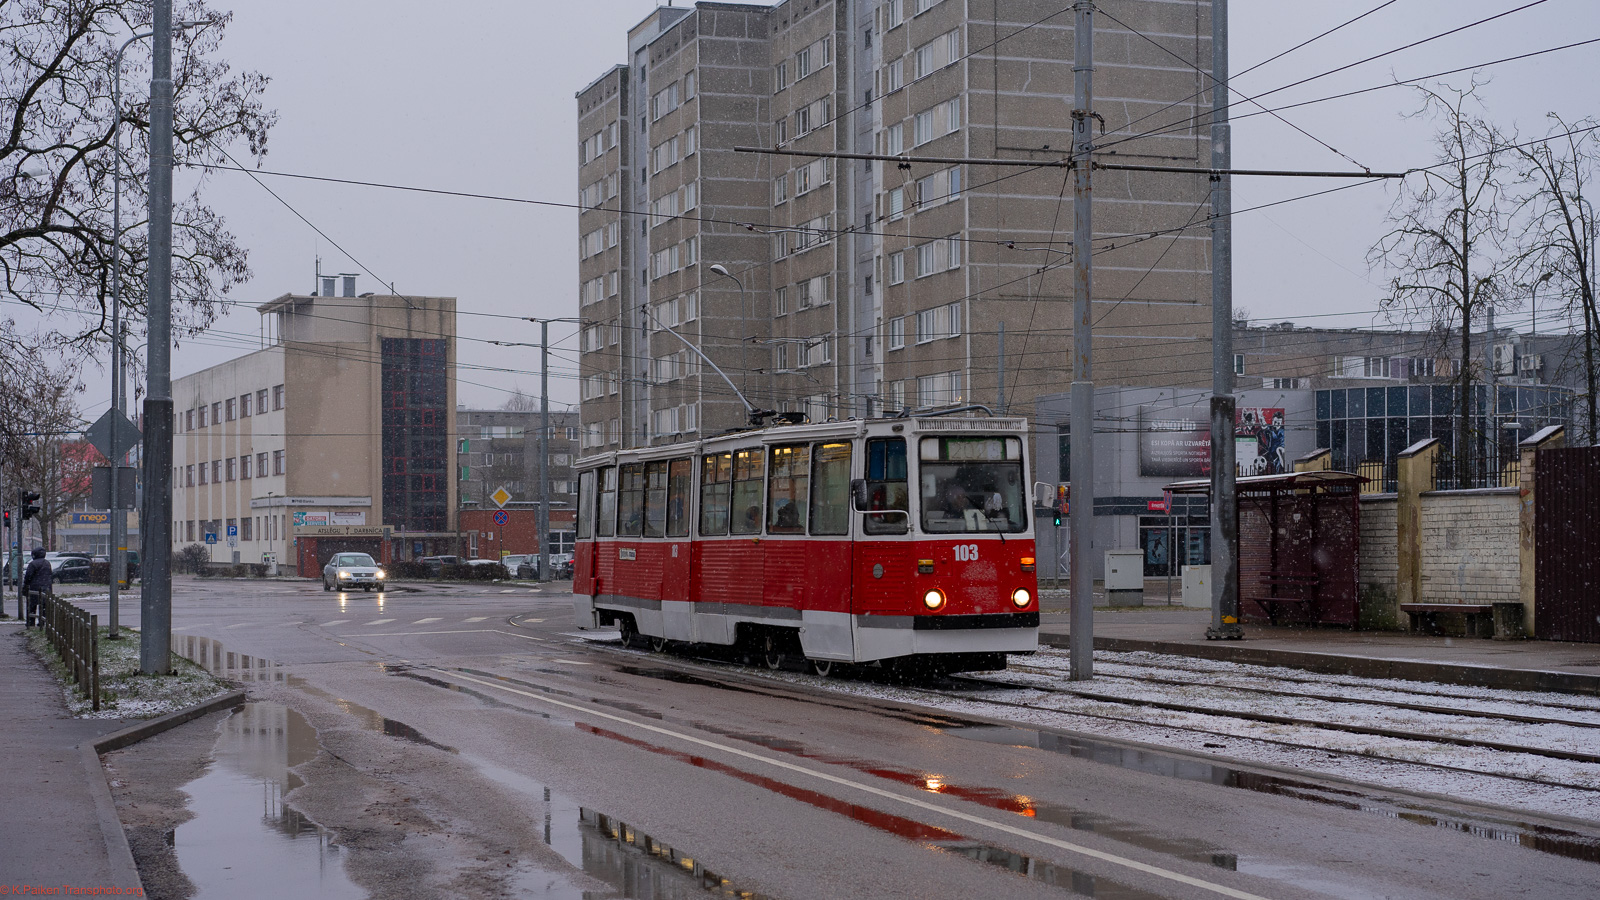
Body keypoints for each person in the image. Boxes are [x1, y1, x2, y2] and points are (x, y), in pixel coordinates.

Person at [22, 547, 52, 628]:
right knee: (44, 606)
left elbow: (28, 576)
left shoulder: (33, 564)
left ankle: (31, 622)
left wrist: (25, 585)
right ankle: (42, 622)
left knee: (32, 605)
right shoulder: (47, 563)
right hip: (46, 587)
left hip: (34, 587)